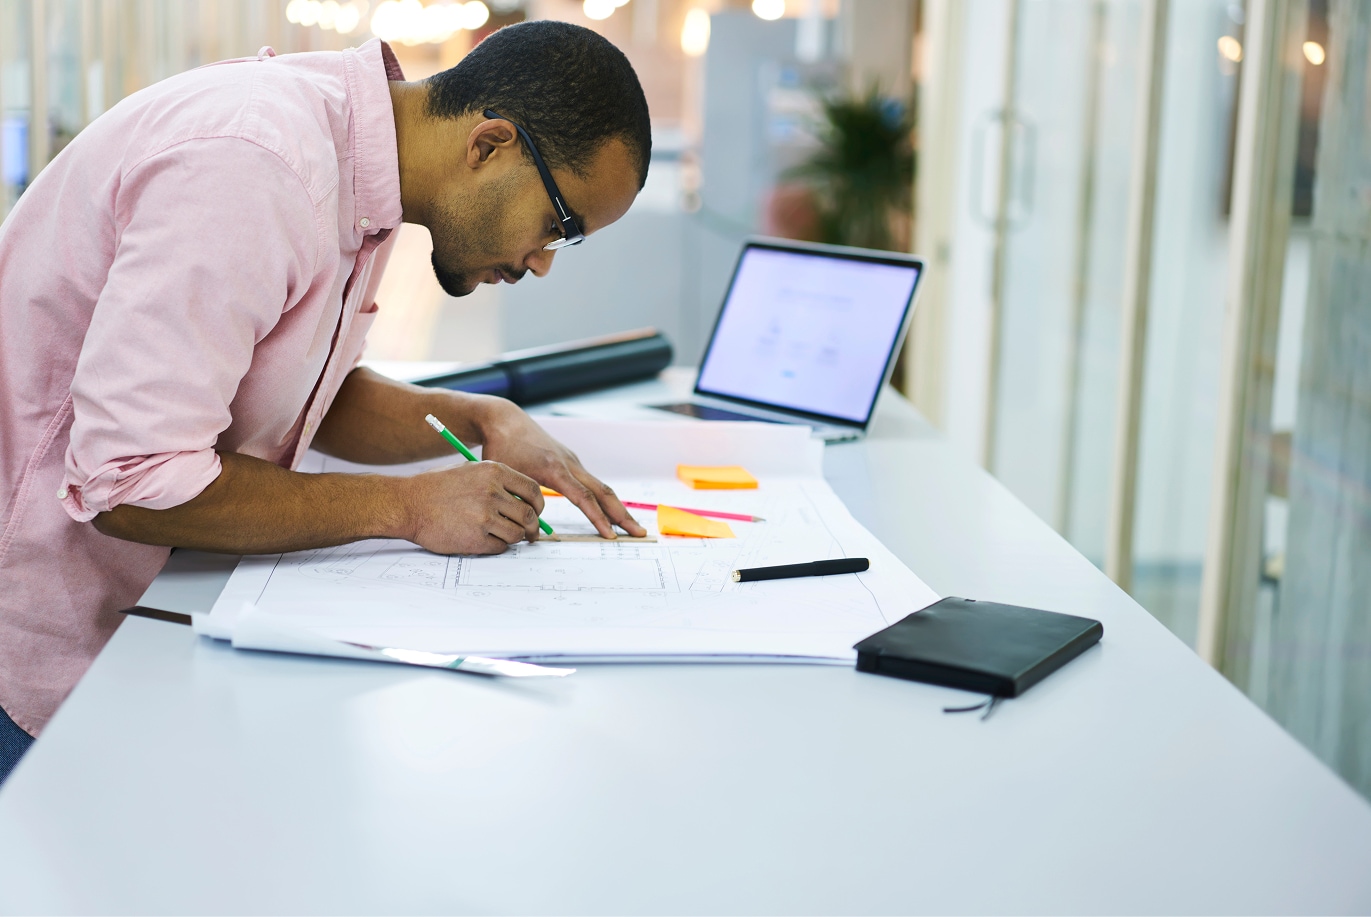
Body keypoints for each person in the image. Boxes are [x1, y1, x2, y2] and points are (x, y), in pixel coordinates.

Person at [0, 20, 651, 781]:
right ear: (489, 145)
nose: (541, 263)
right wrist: (409, 507)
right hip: (32, 632)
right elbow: (132, 479)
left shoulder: (362, 170)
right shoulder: (255, 166)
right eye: (557, 225)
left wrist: (483, 419)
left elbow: (300, 391)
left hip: (141, 613)